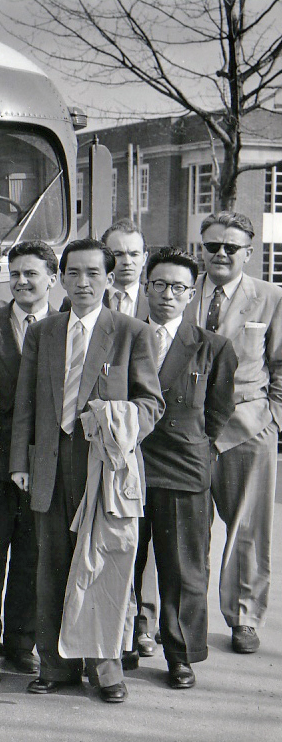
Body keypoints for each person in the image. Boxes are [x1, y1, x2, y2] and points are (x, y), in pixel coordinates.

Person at [10, 238, 164, 703]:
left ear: (109, 276)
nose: (82, 283)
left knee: (102, 566)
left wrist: (113, 419)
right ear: (61, 277)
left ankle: (105, 668)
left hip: (102, 465)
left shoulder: (131, 332)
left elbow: (151, 403)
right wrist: (20, 462)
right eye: (73, 273)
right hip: (50, 463)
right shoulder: (44, 333)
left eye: (93, 274)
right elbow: (25, 404)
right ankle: (56, 666)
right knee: (50, 564)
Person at [138, 247, 237, 689]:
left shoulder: (213, 346)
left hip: (183, 466)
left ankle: (180, 655)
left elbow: (218, 414)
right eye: (159, 284)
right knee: (123, 560)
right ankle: (121, 644)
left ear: (191, 291)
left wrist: (196, 447)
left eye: (179, 286)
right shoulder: (126, 334)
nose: (168, 295)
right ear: (145, 286)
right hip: (130, 464)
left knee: (183, 568)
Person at [184, 211, 282, 655]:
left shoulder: (271, 296)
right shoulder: (179, 290)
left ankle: (244, 616)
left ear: (248, 252)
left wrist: (272, 417)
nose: (220, 254)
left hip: (246, 426)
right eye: (211, 246)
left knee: (247, 528)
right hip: (186, 427)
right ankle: (182, 618)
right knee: (186, 526)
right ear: (199, 248)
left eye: (230, 247)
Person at [0, 240, 58, 681]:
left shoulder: (64, 328)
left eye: (32, 275)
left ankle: (21, 642)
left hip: (44, 464)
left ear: (52, 280)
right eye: (15, 274)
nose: (21, 282)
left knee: (31, 554)